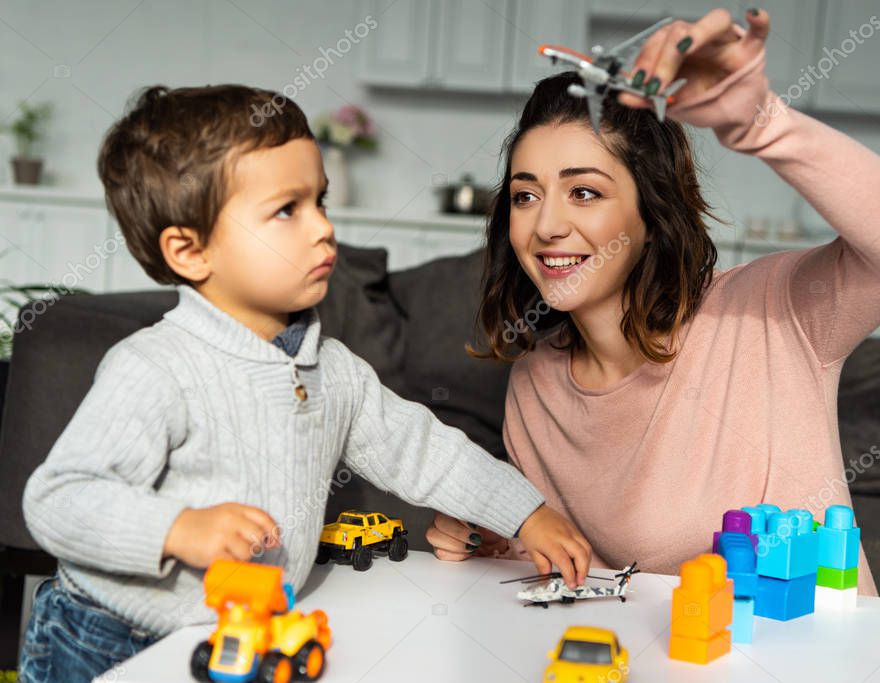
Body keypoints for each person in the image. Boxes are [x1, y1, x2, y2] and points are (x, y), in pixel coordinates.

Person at [19, 84, 591, 683]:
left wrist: (526, 512)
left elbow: (425, 451)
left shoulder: (334, 371)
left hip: (240, 632)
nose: (324, 228)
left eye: (319, 201)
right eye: (287, 210)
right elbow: (59, 499)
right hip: (108, 637)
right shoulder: (156, 367)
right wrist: (176, 529)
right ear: (189, 251)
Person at [427, 8, 880, 592]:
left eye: (584, 192)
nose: (547, 224)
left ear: (649, 214)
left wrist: (760, 123)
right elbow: (575, 572)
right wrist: (498, 539)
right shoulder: (537, 381)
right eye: (526, 197)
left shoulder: (772, 313)